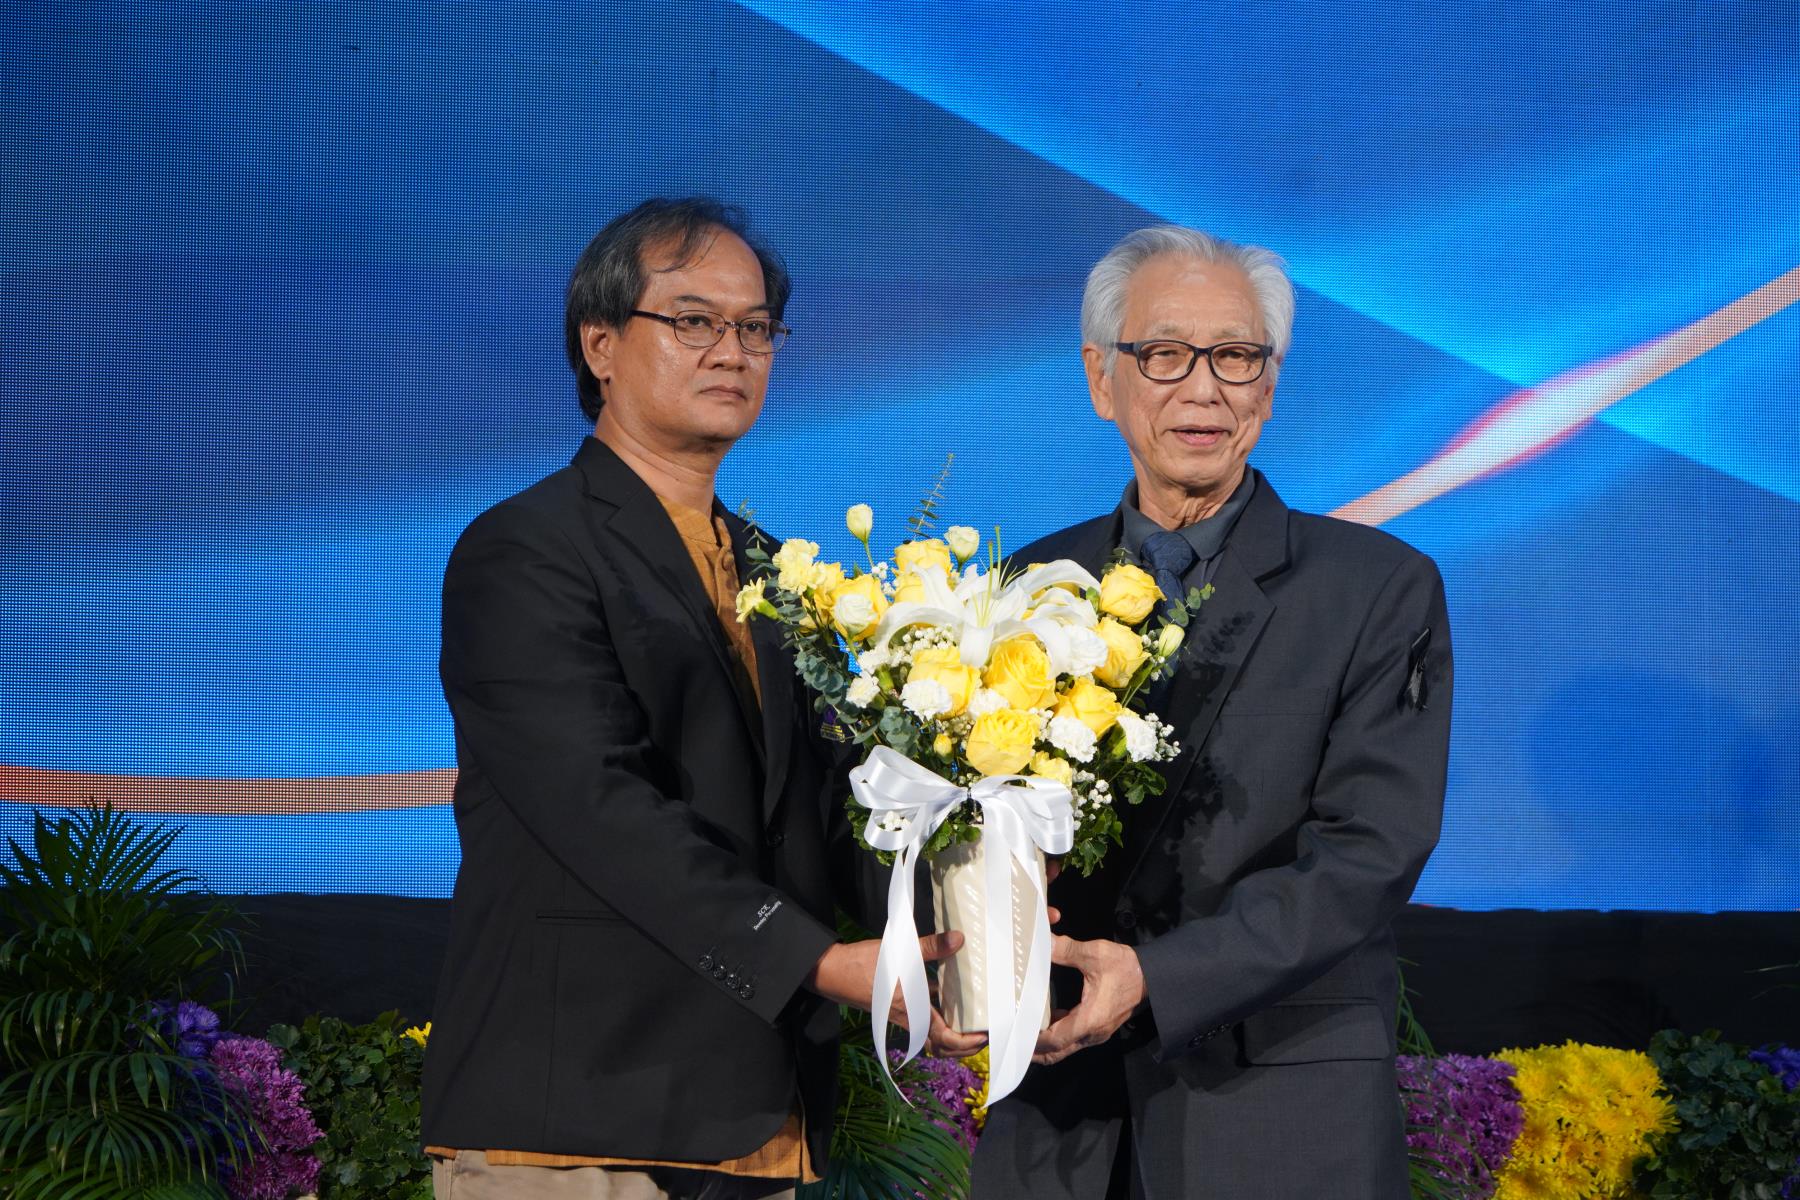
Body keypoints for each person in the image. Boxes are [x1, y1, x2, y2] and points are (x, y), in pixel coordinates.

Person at [420, 196, 978, 1200]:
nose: (732, 351)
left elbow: (829, 812)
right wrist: (819, 963)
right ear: (600, 345)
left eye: (755, 327)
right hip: (580, 1121)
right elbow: (600, 812)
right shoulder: (526, 551)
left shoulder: (776, 571)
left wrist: (969, 911)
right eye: (692, 321)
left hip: (754, 1118)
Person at [971, 226, 1453, 1199]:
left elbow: (1368, 854)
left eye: (1235, 356)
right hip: (1060, 1119)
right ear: (1102, 379)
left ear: (1268, 388)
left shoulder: (1375, 587)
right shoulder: (1029, 583)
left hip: (1278, 1114)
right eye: (1164, 354)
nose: (1203, 389)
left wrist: (1160, 978)